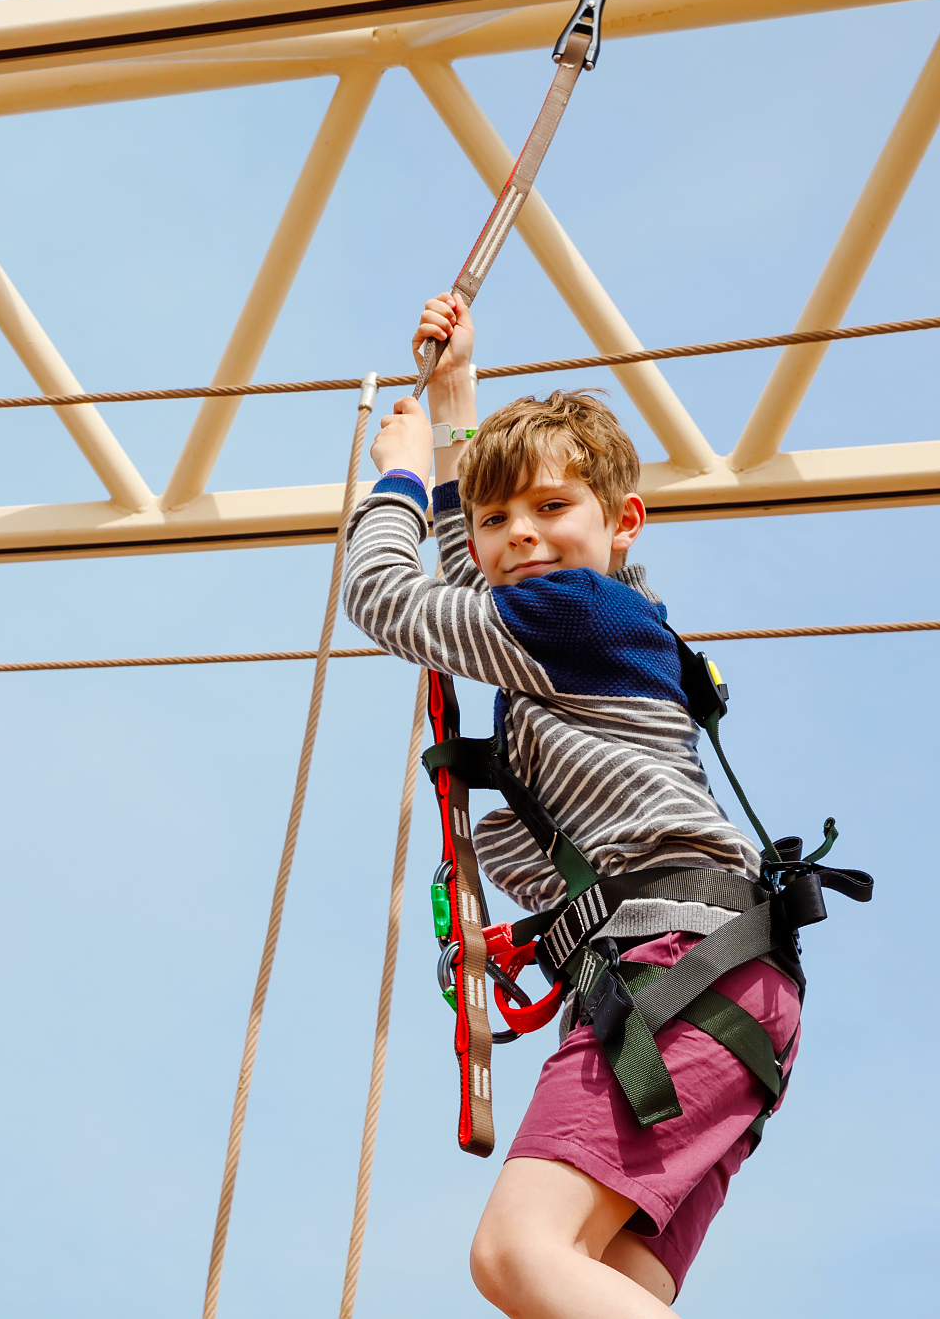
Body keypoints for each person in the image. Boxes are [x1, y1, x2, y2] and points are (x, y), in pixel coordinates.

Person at [342, 293, 797, 1318]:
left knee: (516, 1255)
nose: (520, 538)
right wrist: (457, 394)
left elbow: (387, 599)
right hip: (716, 982)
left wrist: (400, 479)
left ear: (620, 523)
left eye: (552, 509)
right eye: (501, 517)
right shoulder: (575, 634)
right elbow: (472, 568)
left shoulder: (568, 613)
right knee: (586, 1291)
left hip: (672, 969)